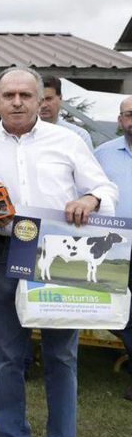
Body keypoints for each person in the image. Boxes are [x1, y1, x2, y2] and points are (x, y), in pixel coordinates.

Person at [0, 67, 118, 437]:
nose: (17, 102)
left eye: (26, 95)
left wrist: (90, 197)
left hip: (58, 253)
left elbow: (105, 188)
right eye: (9, 95)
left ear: (41, 100)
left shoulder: (68, 140)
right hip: (5, 250)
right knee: (9, 356)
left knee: (61, 355)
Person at [91, 95, 132, 400]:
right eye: (128, 114)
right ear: (120, 121)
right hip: (116, 245)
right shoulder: (102, 154)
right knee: (119, 309)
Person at [39, 75, 93, 147]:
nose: (43, 105)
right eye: (40, 99)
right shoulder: (22, 135)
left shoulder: (79, 136)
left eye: (49, 99)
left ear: (60, 98)